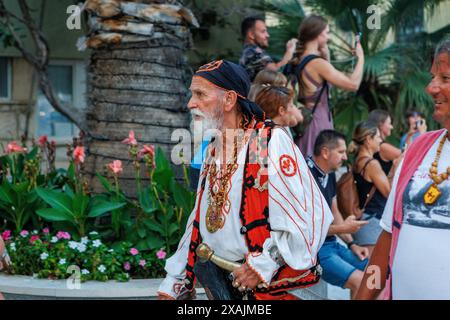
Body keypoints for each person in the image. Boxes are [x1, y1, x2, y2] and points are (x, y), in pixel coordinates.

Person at [157, 60, 333, 300]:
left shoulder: (266, 142)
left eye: (200, 94)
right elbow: (199, 217)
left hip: (272, 290)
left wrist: (263, 264)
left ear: (229, 100)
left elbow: (311, 216)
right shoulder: (214, 148)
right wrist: (176, 279)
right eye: (192, 94)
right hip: (225, 286)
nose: (191, 103)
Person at [356, 38, 450, 300]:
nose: (431, 88)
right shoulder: (420, 149)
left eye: (446, 78)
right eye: (434, 77)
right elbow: (386, 240)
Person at [286, 14, 365, 157]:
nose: (328, 37)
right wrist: (361, 58)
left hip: (305, 121)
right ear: (317, 34)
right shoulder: (316, 63)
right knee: (319, 168)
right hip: (317, 122)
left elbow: (324, 86)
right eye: (327, 32)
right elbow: (353, 84)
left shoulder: (301, 60)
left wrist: (326, 56)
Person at [307, 130, 369, 299]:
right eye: (340, 152)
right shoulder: (305, 175)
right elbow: (308, 230)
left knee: (374, 271)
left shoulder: (330, 174)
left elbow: (334, 212)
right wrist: (344, 227)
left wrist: (352, 243)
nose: (345, 157)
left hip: (332, 244)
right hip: (315, 250)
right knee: (363, 281)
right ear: (325, 152)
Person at [348, 121, 392, 254]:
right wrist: (396, 167)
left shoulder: (357, 160)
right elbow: (389, 193)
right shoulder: (372, 164)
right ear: (368, 139)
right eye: (378, 137)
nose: (381, 140)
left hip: (363, 220)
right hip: (371, 222)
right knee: (372, 269)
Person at [239, 16, 298, 81]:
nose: (267, 35)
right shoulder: (253, 52)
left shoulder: (249, 52)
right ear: (251, 35)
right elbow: (276, 72)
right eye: (263, 31)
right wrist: (290, 50)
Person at [367, 109, 402, 176]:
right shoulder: (382, 146)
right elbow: (407, 156)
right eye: (389, 123)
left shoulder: (374, 144)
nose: (391, 127)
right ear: (380, 125)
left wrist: (409, 135)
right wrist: (422, 133)